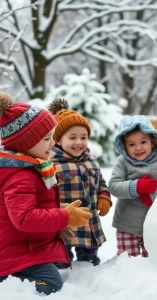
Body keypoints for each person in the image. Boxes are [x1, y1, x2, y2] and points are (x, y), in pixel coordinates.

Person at [0, 92, 92, 295]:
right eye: (47, 138)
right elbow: (24, 218)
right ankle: (11, 288)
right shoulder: (20, 176)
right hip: (14, 254)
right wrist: (64, 217)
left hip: (22, 247)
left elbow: (30, 207)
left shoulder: (29, 167)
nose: (52, 143)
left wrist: (59, 220)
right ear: (26, 143)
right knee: (52, 283)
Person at [48, 98, 112, 267]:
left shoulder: (91, 160)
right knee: (61, 261)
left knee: (90, 261)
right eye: (72, 137)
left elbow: (101, 182)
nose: (79, 142)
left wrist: (104, 196)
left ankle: (90, 284)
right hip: (64, 224)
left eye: (83, 137)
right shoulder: (51, 164)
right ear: (58, 140)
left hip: (89, 223)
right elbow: (46, 192)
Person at [109, 115, 157, 257]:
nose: (138, 148)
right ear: (124, 147)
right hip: (127, 224)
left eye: (143, 142)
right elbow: (113, 186)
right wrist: (136, 187)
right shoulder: (122, 163)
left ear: (152, 141)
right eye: (131, 144)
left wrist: (155, 195)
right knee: (128, 261)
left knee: (155, 259)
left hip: (155, 223)